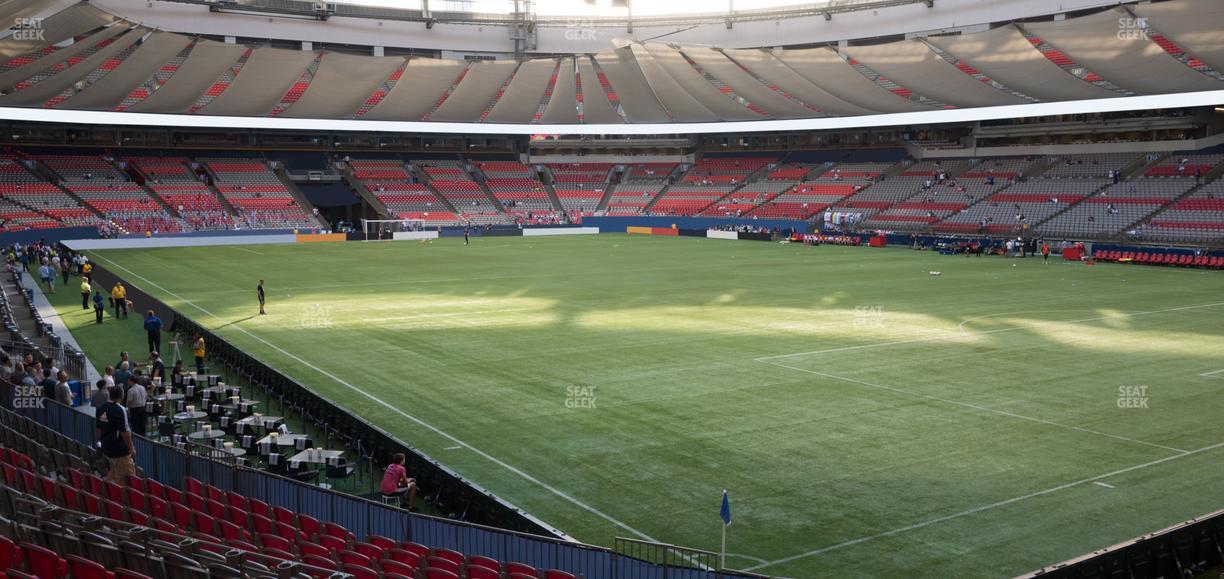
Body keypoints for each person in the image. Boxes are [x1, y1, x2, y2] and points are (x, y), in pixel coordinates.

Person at [96, 386, 135, 483]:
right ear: (122, 396)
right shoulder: (120, 409)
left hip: (107, 448)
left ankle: (104, 494)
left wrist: (101, 443)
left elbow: (98, 429)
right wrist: (131, 448)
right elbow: (124, 431)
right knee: (128, 480)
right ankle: (121, 497)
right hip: (120, 450)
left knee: (114, 471)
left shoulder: (101, 408)